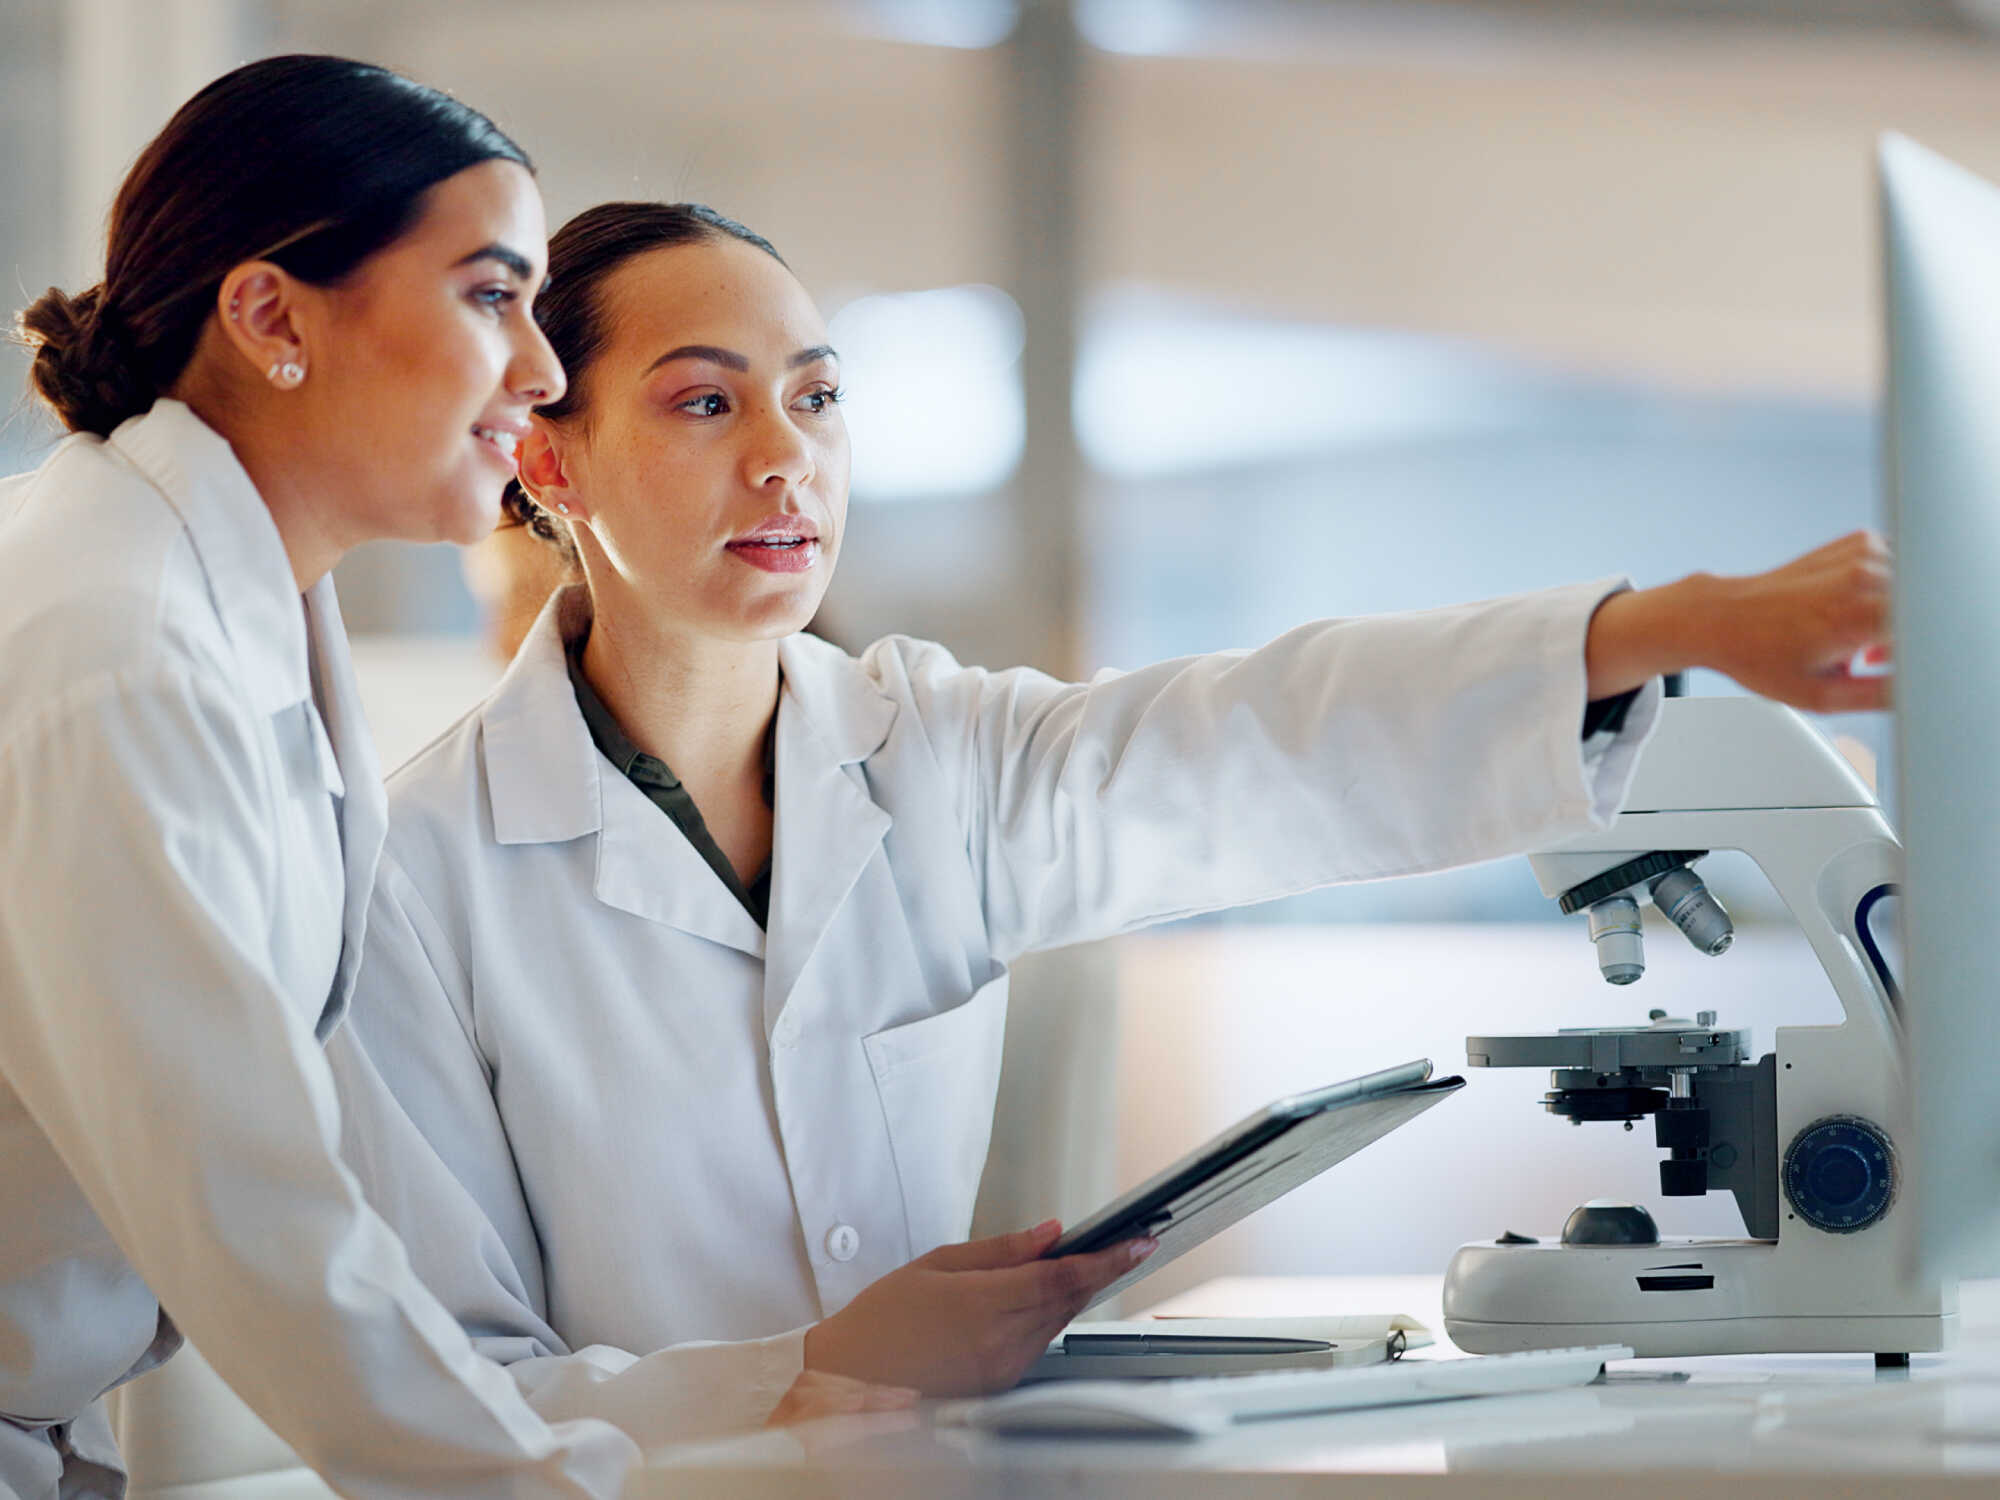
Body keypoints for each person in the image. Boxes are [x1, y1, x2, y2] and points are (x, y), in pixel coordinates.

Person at [329, 200, 1892, 1449]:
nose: (783, 454)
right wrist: (801, 1373)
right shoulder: (416, 877)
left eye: (815, 397)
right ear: (548, 454)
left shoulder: (935, 750)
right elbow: (437, 1402)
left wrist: (1663, 626)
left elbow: (1267, 739)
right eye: (702, 401)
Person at [0, 63, 903, 1500]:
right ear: (271, 316)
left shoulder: (222, 603)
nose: (542, 372)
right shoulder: (118, 646)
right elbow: (253, 1218)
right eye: (492, 296)